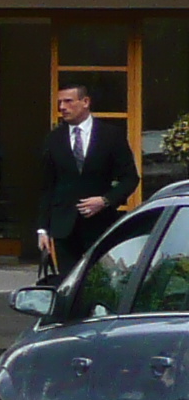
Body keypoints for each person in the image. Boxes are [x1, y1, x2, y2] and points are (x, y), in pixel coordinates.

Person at [37, 84, 140, 275]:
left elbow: (130, 178)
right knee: (68, 284)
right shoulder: (54, 139)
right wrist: (43, 229)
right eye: (60, 102)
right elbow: (46, 186)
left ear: (85, 102)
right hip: (63, 228)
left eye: (68, 101)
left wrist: (105, 200)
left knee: (99, 279)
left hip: (100, 225)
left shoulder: (110, 135)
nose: (62, 107)